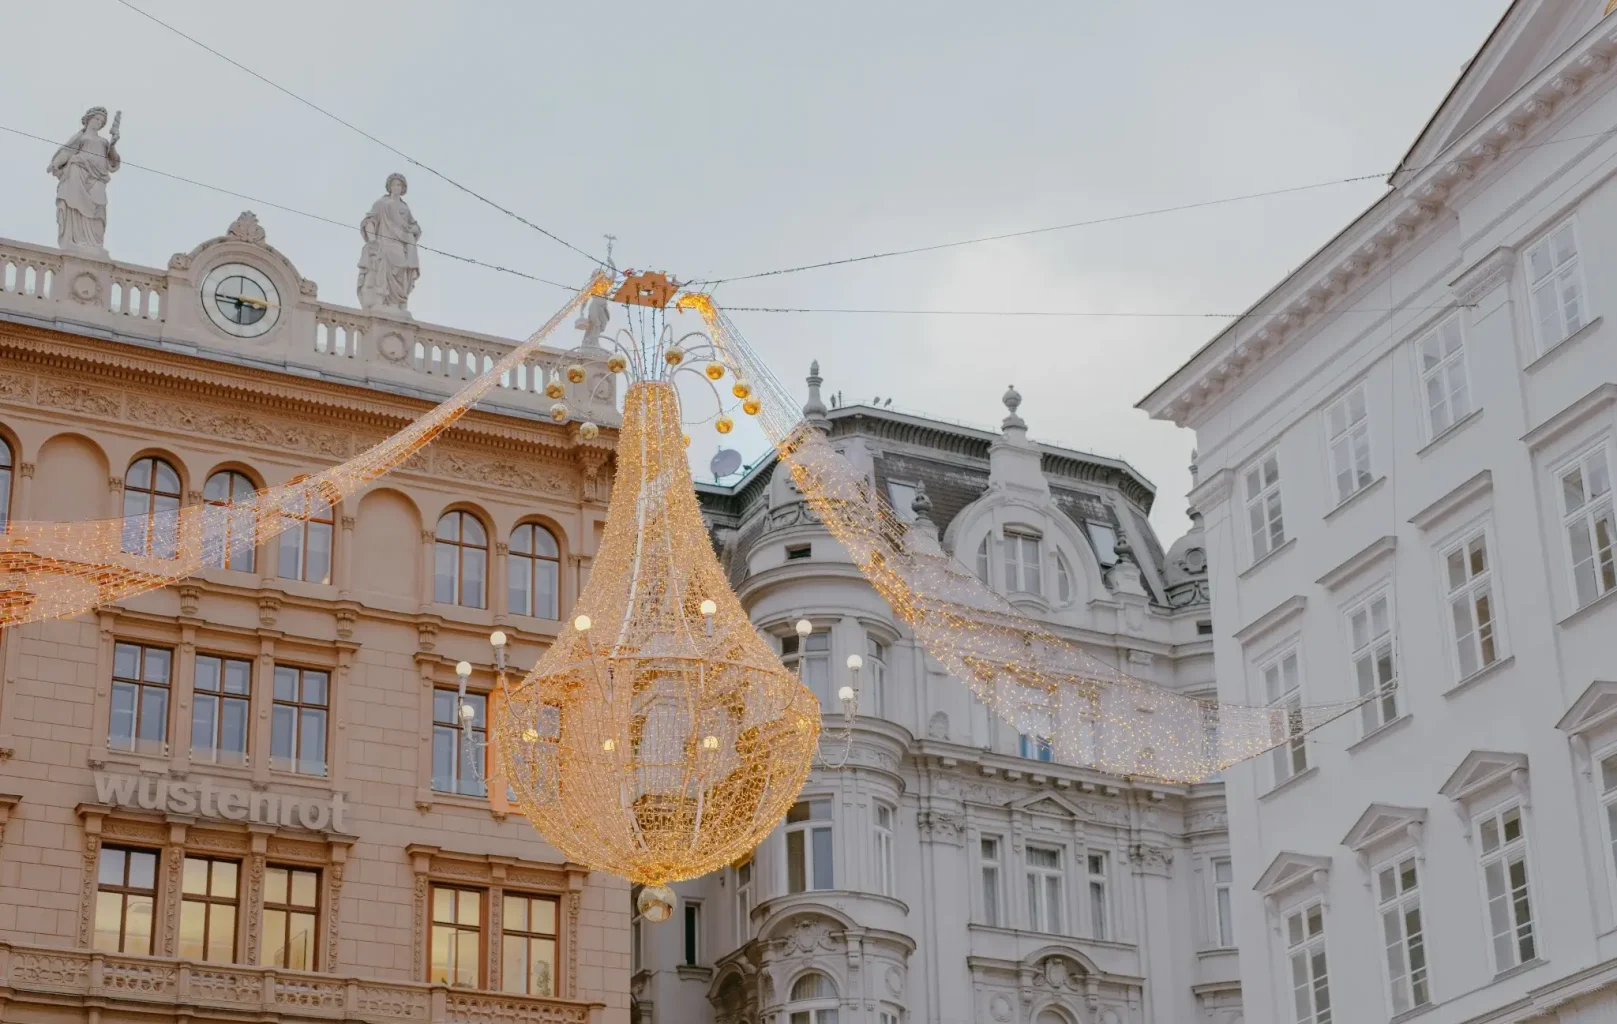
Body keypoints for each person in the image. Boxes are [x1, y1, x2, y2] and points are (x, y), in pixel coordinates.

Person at [47, 107, 120, 254]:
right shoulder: (80, 137)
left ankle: (94, 244)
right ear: (88, 119)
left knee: (99, 207)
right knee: (74, 204)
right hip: (78, 171)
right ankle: (75, 240)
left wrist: (113, 144)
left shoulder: (104, 142)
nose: (99, 123)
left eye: (102, 121)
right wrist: (55, 164)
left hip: (98, 177)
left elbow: (113, 160)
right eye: (96, 119)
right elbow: (67, 152)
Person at [357, 173, 422, 314]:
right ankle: (381, 299)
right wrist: (372, 239)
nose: (396, 187)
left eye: (399, 185)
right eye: (393, 184)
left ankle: (397, 303)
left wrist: (412, 229)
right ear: (389, 186)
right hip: (385, 242)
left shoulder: (405, 208)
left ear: (403, 188)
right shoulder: (381, 203)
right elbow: (370, 221)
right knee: (383, 267)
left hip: (400, 244)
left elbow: (415, 226)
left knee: (400, 273)